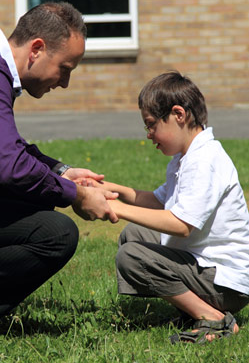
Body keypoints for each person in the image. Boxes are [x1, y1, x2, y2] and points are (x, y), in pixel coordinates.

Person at [0, 1, 119, 340]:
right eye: (65, 68)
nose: (65, 83)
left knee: (37, 197)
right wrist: (76, 194)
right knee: (56, 233)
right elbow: (7, 166)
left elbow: (2, 148)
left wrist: (60, 171)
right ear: (37, 49)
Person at [80, 70, 249, 343]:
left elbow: (181, 225)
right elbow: (160, 201)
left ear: (179, 115)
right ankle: (192, 310)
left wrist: (118, 210)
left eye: (151, 125)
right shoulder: (186, 156)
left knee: (131, 255)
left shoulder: (205, 160)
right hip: (203, 263)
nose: (148, 134)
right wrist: (108, 190)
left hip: (225, 283)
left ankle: (213, 317)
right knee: (134, 235)